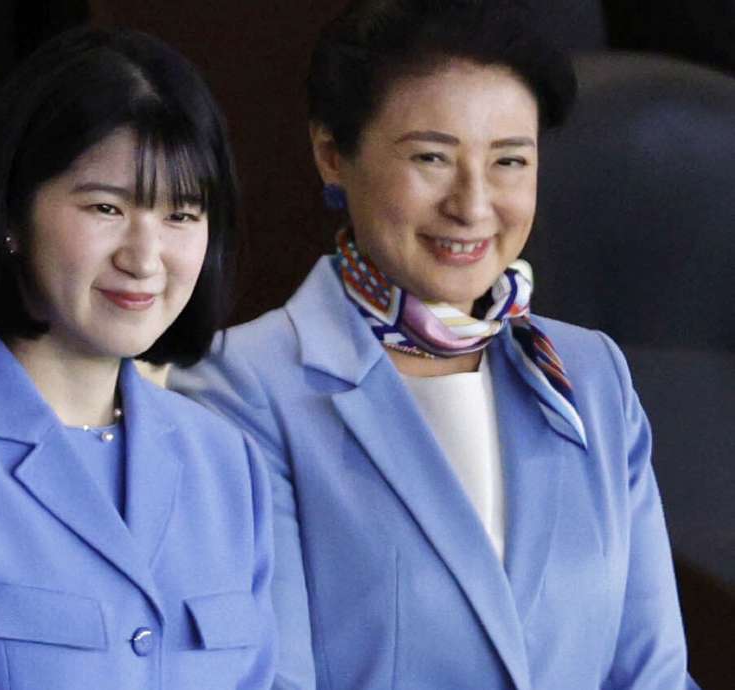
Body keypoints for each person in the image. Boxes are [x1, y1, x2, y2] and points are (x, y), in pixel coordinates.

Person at [170, 1, 696, 688]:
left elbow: (654, 675)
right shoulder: (241, 389)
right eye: (431, 158)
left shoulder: (590, 377)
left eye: (509, 161)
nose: (473, 205)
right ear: (333, 155)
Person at [0, 27, 277, 690]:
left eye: (182, 215)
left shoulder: (228, 464)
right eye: (107, 207)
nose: (144, 257)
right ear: (13, 213)